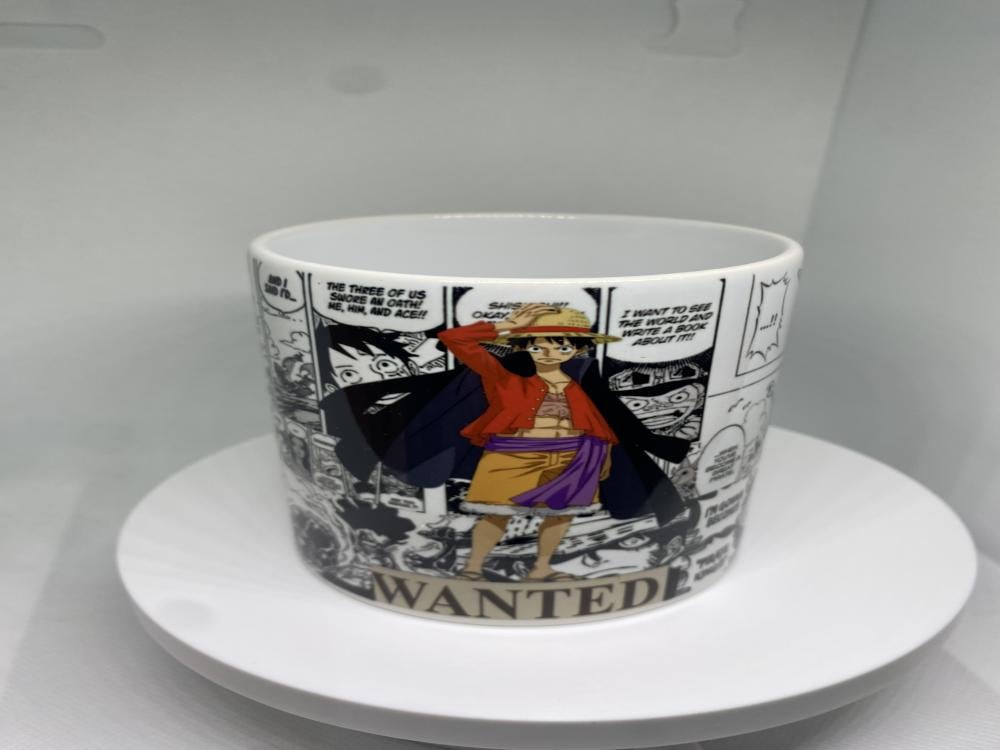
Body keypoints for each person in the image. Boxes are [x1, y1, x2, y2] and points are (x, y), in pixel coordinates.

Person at [321, 303, 696, 583]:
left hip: (575, 455)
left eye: (561, 345)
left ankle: (541, 569)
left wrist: (607, 456)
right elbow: (453, 339)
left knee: (561, 516)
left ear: (576, 348)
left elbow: (606, 418)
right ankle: (472, 569)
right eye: (539, 345)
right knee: (496, 513)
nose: (550, 352)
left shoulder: (581, 379)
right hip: (514, 454)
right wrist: (505, 325)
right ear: (525, 346)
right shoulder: (503, 377)